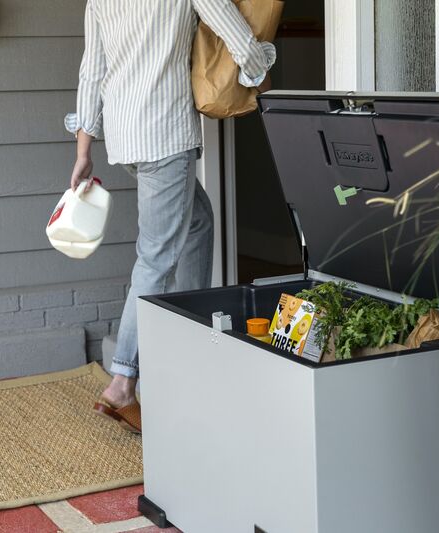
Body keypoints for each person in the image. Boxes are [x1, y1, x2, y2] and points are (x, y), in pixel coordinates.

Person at [65, 0, 275, 433]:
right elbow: (230, 26)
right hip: (165, 135)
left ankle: (189, 332)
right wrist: (259, 70)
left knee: (198, 222)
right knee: (156, 256)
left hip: (126, 136)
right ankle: (123, 381)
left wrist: (84, 149)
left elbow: (92, 70)